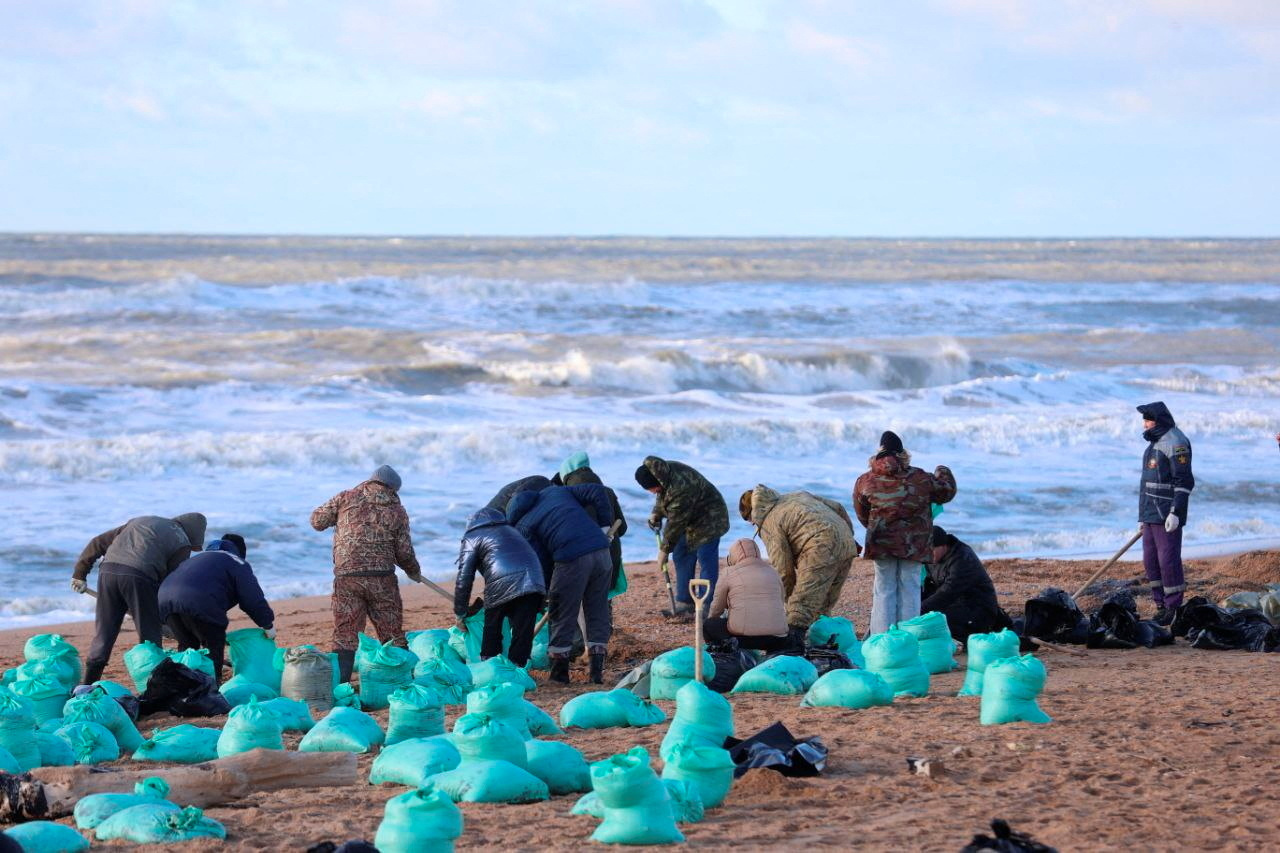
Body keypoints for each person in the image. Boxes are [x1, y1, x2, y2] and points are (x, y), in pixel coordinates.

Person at [310, 465, 421, 683]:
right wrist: (413, 571)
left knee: (345, 634)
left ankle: (341, 685)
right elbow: (404, 551)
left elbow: (316, 521)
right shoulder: (397, 511)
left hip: (347, 577)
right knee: (391, 632)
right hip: (382, 578)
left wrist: (342, 519)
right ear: (393, 490)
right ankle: (406, 680)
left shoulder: (345, 498)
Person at [71, 512, 207, 684]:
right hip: (140, 578)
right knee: (149, 638)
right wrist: (166, 619)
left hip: (108, 572)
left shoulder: (140, 521)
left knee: (105, 633)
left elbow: (97, 543)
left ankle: (86, 685)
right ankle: (152, 687)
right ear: (193, 534)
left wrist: (80, 574)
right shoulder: (182, 542)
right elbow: (170, 585)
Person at [505, 483, 614, 684]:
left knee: (562, 612)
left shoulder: (524, 525)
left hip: (572, 558)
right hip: (602, 551)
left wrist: (546, 593)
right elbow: (598, 491)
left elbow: (541, 562)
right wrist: (604, 527)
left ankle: (560, 674)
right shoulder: (557, 491)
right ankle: (596, 673)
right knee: (597, 610)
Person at [853, 431, 957, 635]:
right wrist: (942, 470)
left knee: (884, 589)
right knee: (909, 588)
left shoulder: (865, 480)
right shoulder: (920, 477)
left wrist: (874, 528)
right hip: (914, 544)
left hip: (880, 542)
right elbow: (947, 492)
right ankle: (908, 640)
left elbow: (861, 511)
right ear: (903, 454)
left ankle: (883, 640)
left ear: (878, 455)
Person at [739, 485, 860, 644]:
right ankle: (825, 644)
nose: (753, 524)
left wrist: (789, 602)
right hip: (846, 543)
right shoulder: (797, 495)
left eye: (751, 521)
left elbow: (783, 569)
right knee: (822, 605)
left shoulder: (769, 521)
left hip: (819, 548)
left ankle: (793, 649)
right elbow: (837, 507)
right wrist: (848, 536)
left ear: (753, 513)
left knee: (800, 608)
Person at [158, 534, 275, 681]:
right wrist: (267, 624)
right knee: (213, 646)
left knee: (188, 647)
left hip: (164, 599)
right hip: (199, 600)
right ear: (239, 552)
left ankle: (185, 686)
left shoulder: (198, 559)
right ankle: (213, 687)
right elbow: (252, 598)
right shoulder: (236, 562)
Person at [635, 455, 729, 618]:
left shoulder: (680, 487)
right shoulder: (662, 472)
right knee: (681, 554)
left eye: (651, 488)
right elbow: (663, 496)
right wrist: (656, 513)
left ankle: (706, 605)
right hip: (689, 517)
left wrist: (664, 551)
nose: (652, 492)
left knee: (705, 558)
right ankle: (685, 602)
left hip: (710, 517)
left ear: (656, 480)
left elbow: (675, 523)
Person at [452, 508, 546, 667]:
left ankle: (490, 668)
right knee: (522, 632)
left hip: (502, 584)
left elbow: (465, 578)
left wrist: (460, 613)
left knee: (492, 628)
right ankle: (517, 671)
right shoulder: (511, 530)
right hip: (534, 580)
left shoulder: (472, 536)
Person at [1137, 401, 1194, 624]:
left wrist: (1176, 512)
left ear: (1158, 421)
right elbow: (1146, 484)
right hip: (1150, 513)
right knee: (1150, 560)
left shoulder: (1176, 442)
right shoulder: (1154, 443)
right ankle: (1160, 604)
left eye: (1148, 420)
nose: (1144, 425)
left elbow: (1184, 481)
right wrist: (1141, 517)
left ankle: (1173, 606)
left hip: (1167, 514)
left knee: (1168, 561)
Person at [922, 526, 1009, 643]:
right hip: (956, 603)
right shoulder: (933, 558)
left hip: (978, 608)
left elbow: (948, 592)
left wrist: (921, 608)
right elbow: (929, 586)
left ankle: (971, 637)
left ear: (943, 545)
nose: (928, 555)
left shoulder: (962, 558)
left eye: (931, 550)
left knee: (936, 620)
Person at [560, 451, 628, 594]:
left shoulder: (567, 496)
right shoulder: (607, 492)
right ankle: (605, 614)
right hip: (610, 560)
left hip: (582, 563)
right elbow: (622, 529)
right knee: (601, 602)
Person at [705, 538, 791, 651]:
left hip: (744, 640)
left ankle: (729, 653)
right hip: (777, 639)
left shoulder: (728, 572)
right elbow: (780, 601)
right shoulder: (773, 571)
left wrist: (713, 619)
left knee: (709, 625)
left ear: (732, 556)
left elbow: (716, 608)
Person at [485, 475, 552, 513]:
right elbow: (516, 500)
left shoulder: (542, 483)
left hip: (484, 521)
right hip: (490, 522)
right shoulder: (542, 481)